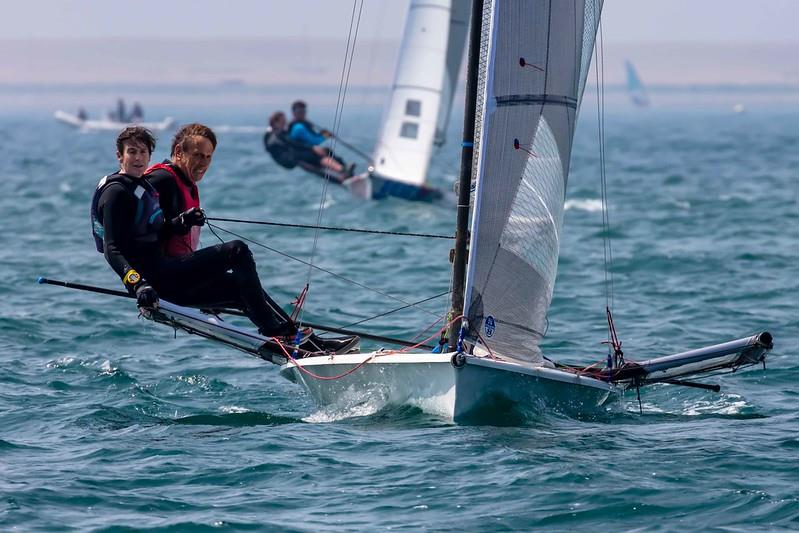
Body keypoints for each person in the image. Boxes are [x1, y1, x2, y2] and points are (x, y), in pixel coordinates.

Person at [90, 126, 358, 354]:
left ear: (150, 154)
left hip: (169, 275)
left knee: (241, 287)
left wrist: (181, 222)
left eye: (143, 152)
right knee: (236, 251)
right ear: (119, 156)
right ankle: (282, 332)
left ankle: (297, 341)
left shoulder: (142, 186)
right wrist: (138, 286)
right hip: (158, 280)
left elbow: (150, 231)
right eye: (132, 152)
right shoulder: (121, 191)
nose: (138, 158)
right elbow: (113, 248)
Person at [145, 123, 213, 258]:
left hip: (182, 267)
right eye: (197, 155)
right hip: (160, 270)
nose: (204, 163)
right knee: (237, 250)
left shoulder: (187, 183)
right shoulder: (161, 179)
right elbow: (141, 234)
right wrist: (182, 221)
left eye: (208, 157)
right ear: (178, 152)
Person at [265, 111, 353, 181]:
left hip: (294, 157)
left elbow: (309, 140)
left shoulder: (281, 132)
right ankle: (342, 175)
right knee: (317, 159)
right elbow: (295, 143)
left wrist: (324, 136)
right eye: (283, 121)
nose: (285, 122)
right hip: (291, 159)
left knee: (325, 153)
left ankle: (344, 172)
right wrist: (313, 147)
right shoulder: (279, 133)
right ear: (276, 122)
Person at [288, 101, 354, 175]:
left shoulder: (305, 124)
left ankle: (346, 170)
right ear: (294, 113)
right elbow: (313, 141)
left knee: (328, 151)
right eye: (299, 112)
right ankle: (343, 170)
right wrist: (325, 135)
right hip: (302, 154)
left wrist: (324, 134)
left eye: (304, 111)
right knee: (321, 155)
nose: (302, 114)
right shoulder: (298, 127)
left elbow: (314, 138)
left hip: (308, 150)